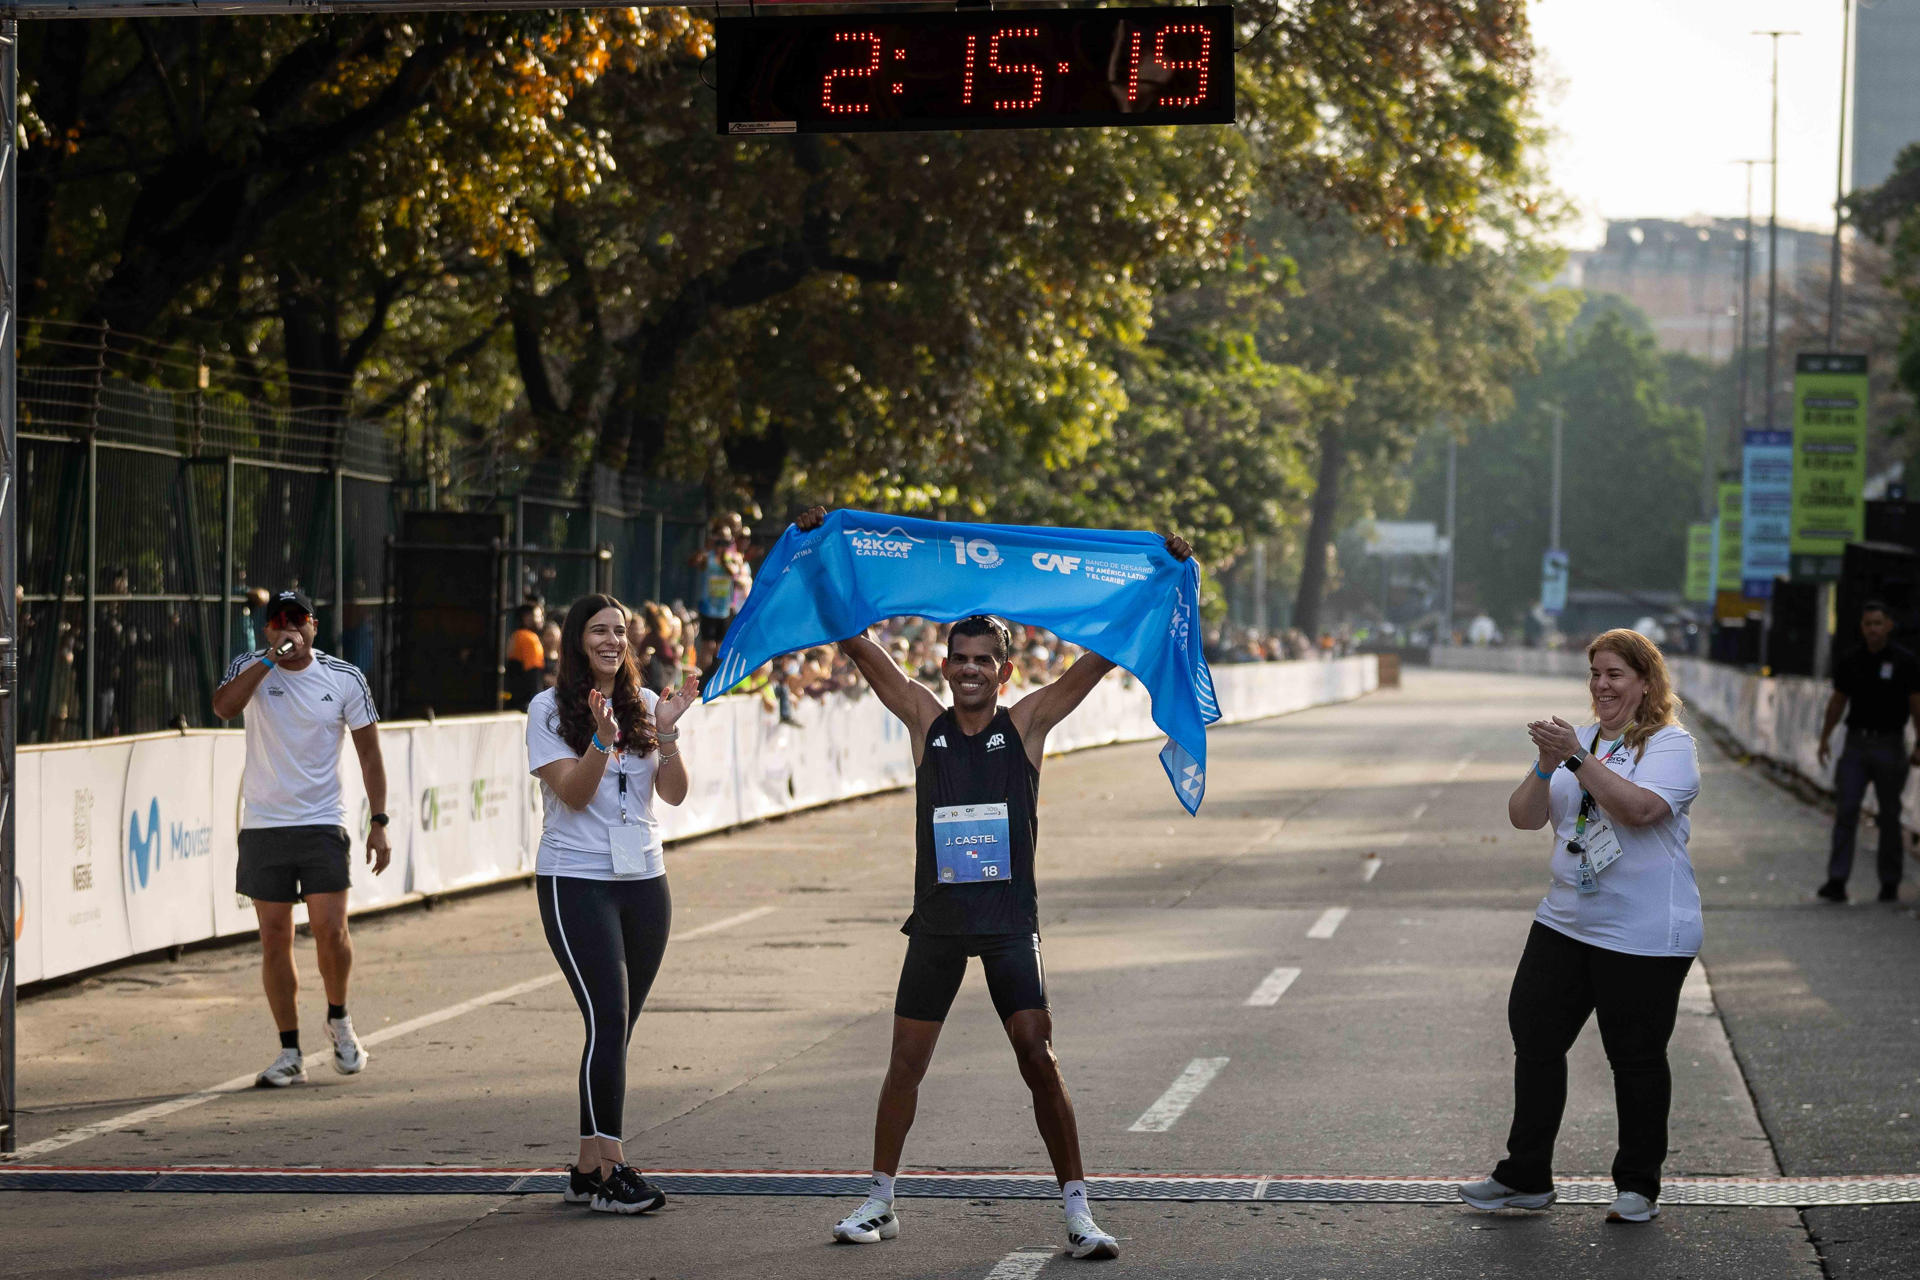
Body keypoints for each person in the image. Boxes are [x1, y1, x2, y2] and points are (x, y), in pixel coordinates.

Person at [795, 505, 1192, 1261]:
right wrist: (817, 554)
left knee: (1036, 1053)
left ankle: (1078, 1211)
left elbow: (1101, 655)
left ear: (1005, 671)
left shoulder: (1029, 725)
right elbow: (855, 642)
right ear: (944, 667)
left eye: (984, 660)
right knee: (905, 1064)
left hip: (1010, 920)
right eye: (960, 659)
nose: (971, 670)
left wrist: (1159, 576)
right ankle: (879, 1200)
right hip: (940, 923)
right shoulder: (923, 720)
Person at [1460, 629, 1702, 1225]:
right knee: (1535, 1037)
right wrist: (1545, 768)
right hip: (1567, 918)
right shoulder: (1582, 741)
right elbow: (1523, 818)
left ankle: (1638, 1185)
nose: (1601, 686)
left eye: (1615, 674)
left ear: (1646, 682)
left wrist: (1575, 757)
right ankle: (1526, 1175)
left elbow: (1639, 810)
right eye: (1595, 673)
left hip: (1643, 932)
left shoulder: (1671, 746)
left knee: (1635, 1055)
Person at [525, 593, 700, 1215]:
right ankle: (612, 1170)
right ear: (576, 640)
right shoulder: (546, 709)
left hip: (644, 878)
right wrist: (601, 741)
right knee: (607, 1014)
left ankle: (584, 1166)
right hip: (575, 879)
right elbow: (572, 795)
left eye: (619, 631)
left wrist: (670, 732)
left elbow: (674, 795)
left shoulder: (647, 704)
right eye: (598, 630)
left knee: (614, 1027)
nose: (611, 640)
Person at [211, 587, 391, 1088]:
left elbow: (370, 755)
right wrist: (268, 661)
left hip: (321, 822)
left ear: (315, 626)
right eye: (279, 621)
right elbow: (224, 707)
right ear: (269, 628)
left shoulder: (344, 677)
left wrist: (380, 821)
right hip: (265, 824)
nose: (289, 628)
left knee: (331, 929)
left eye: (299, 619)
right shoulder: (251, 665)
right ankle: (289, 1050)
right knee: (274, 938)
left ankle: (339, 1018)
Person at [1814, 600, 1920, 904]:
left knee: (1890, 815)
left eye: (1878, 623)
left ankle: (1890, 883)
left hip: (1890, 744)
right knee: (1846, 811)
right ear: (1862, 627)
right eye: (1868, 624)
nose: (1873, 629)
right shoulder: (1851, 660)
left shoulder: (1905, 661)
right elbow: (1837, 702)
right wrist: (1825, 738)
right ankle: (1837, 880)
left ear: (1889, 625)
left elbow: (1916, 705)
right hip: (1856, 744)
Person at [691, 514, 752, 675]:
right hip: (708, 608)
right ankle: (699, 679)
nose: (722, 545)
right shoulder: (707, 557)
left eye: (726, 542)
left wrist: (725, 560)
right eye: (719, 541)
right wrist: (708, 548)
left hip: (724, 609)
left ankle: (715, 678)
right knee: (708, 646)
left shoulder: (733, 558)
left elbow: (736, 574)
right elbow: (693, 561)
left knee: (720, 648)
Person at [506, 601, 547, 712]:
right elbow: (534, 673)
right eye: (538, 616)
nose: (541, 619)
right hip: (525, 702)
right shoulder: (529, 638)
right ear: (526, 617)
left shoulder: (516, 635)